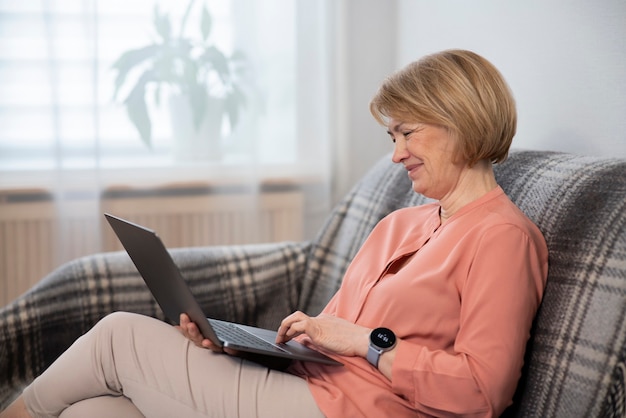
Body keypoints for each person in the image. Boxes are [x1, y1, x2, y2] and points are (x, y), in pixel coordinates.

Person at [0, 49, 548, 418]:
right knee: (94, 411)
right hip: (313, 388)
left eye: (407, 132)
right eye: (392, 135)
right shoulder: (399, 224)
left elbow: (483, 390)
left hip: (356, 412)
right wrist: (243, 350)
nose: (396, 153)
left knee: (118, 335)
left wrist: (367, 342)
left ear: (461, 120)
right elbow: (325, 346)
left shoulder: (504, 237)